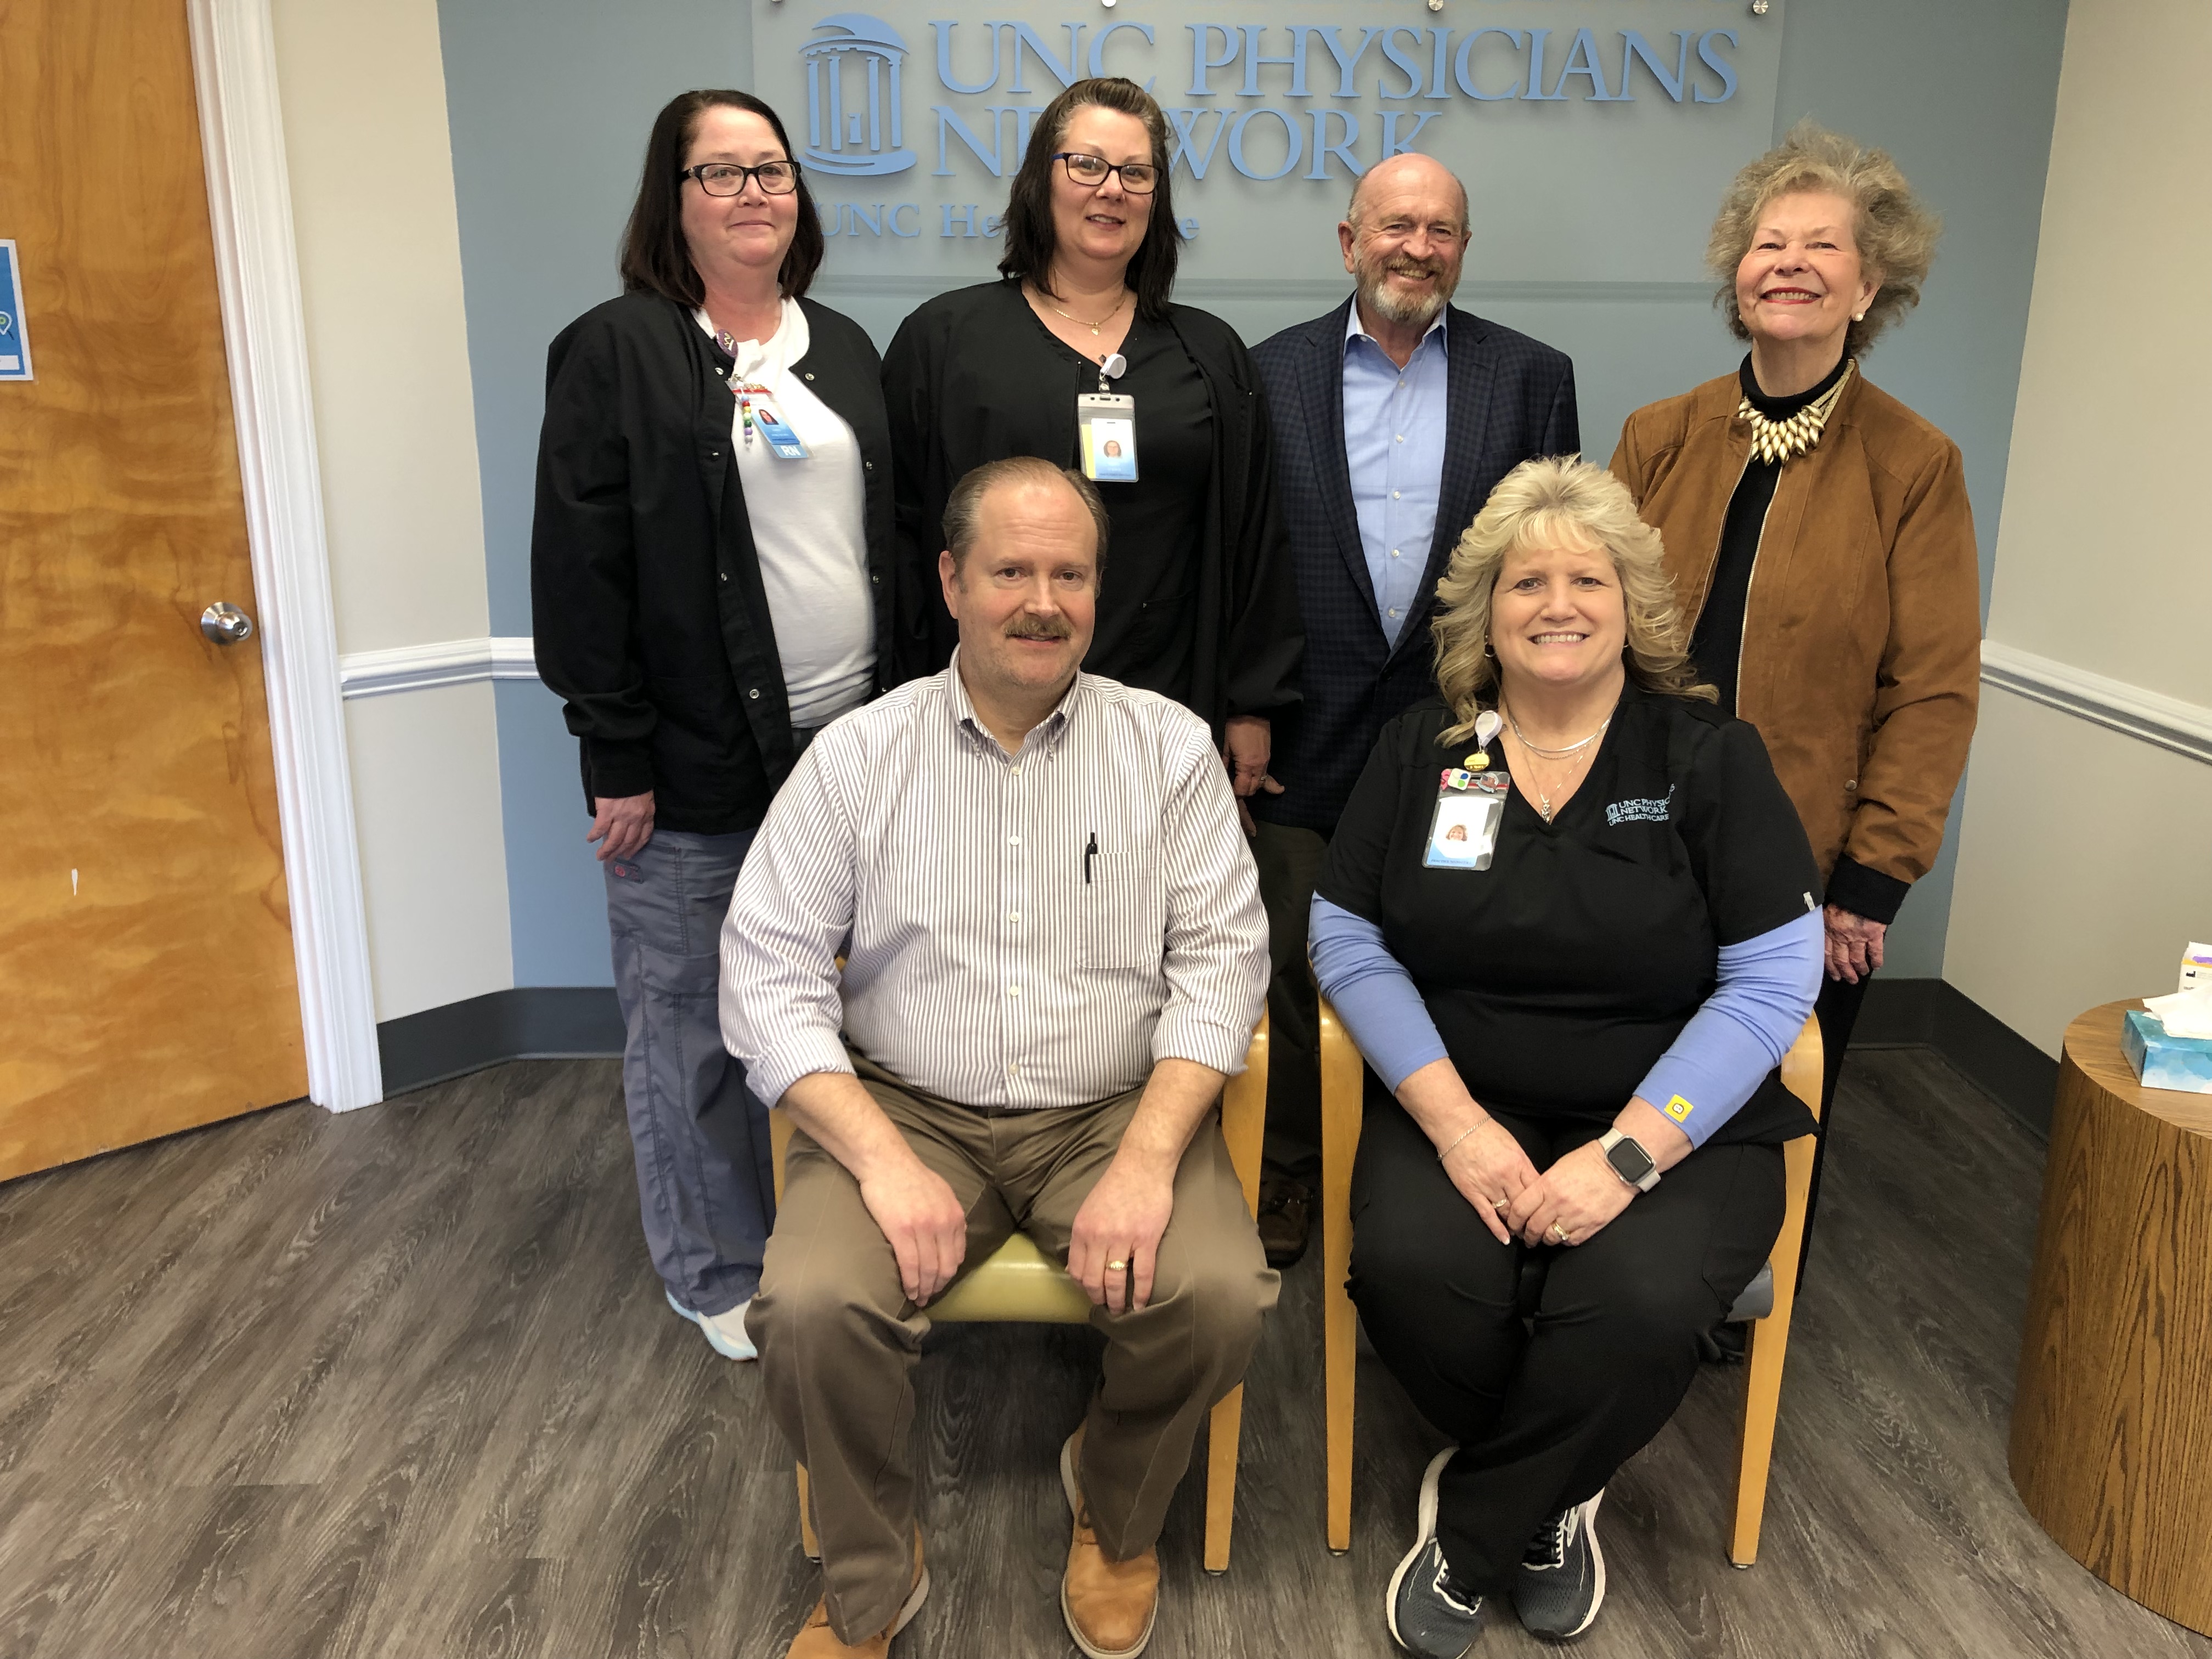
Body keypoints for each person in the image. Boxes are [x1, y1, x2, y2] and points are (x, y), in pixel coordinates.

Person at [723, 458, 1279, 1659]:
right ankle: (872, 1575)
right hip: (911, 1108)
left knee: (1219, 1294)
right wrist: (877, 1160)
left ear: (1097, 589)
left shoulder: (1168, 752)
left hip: (1108, 1111)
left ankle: (1116, 1507)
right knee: (813, 1307)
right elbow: (765, 975)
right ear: (951, 582)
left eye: (1069, 573)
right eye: (1012, 570)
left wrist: (1144, 1161)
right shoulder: (859, 759)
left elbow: (1224, 970)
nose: (1043, 600)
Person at [1309, 458, 1822, 1654]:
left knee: (1639, 1299)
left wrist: (1629, 1157)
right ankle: (1557, 1476)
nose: (1556, 603)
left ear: (1630, 603)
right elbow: (1344, 932)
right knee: (1413, 1278)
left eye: (1585, 577)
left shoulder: (1707, 759)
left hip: (1673, 1122)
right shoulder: (1421, 752)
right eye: (1524, 579)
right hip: (1464, 1102)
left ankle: (1489, 1520)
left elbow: (1773, 981)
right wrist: (1455, 1125)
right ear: (1484, 610)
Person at [530, 90, 895, 1362]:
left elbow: (884, 544)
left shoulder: (843, 346)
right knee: (692, 1023)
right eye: (720, 173)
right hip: (690, 762)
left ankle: (842, 1231)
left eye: (771, 171)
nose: (753, 194)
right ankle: (713, 1268)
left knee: (841, 1015)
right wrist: (613, 753)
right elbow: (578, 573)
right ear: (670, 198)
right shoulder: (619, 349)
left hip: (848, 747)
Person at [1611, 121, 1979, 1264]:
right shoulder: (1657, 438)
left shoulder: (1913, 464)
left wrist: (1872, 881)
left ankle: (1738, 1289)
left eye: (1823, 246)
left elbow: (1933, 689)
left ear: (1871, 285)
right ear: (1737, 270)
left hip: (1807, 857)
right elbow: (1577, 628)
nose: (1790, 263)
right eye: (1769, 242)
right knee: (1630, 1067)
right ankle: (1609, 1267)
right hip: (1636, 831)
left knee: (1766, 1099)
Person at [1245, 154, 1579, 1266]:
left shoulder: (1529, 378)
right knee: (1291, 963)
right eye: (1396, 226)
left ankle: (1424, 1162)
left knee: (1448, 949)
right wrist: (1244, 705)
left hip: (1466, 737)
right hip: (1307, 732)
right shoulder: (1270, 375)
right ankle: (1291, 1166)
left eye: (1442, 231)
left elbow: (1555, 564)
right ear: (1349, 242)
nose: (1417, 248)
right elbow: (1244, 560)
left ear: (1463, 250)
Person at [882, 76, 1300, 830]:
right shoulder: (945, 342)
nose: (1112, 189)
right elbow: (904, 538)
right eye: (1087, 165)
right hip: (988, 717)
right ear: (1043, 177)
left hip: (1165, 714)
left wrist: (1252, 702)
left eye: (1136, 173)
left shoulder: (1208, 353)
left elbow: (1254, 535)